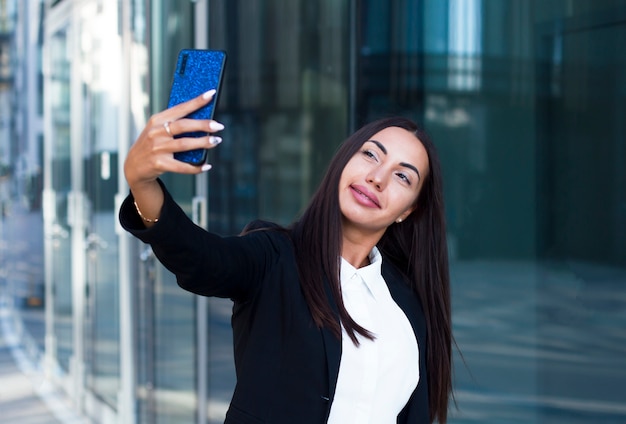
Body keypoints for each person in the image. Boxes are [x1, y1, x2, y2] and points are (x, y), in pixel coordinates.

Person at [119, 90, 452, 423]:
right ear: (344, 160)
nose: (377, 178)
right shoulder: (275, 259)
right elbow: (199, 258)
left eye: (402, 176)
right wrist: (142, 183)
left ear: (407, 211)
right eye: (370, 155)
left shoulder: (406, 302)